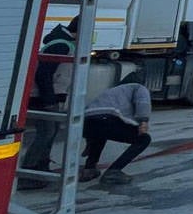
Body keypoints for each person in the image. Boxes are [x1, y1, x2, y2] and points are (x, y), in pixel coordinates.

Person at [18, 16, 79, 190]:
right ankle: (28, 172)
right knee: (46, 133)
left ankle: (40, 169)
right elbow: (43, 74)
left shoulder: (62, 42)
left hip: (47, 96)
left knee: (50, 133)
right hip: (43, 97)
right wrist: (49, 101)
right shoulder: (61, 44)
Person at [80, 72, 152, 186]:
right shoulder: (138, 87)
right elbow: (143, 102)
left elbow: (94, 113)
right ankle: (114, 171)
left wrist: (89, 141)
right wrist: (143, 121)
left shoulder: (112, 91)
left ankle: (89, 169)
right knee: (143, 139)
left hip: (86, 122)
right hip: (106, 120)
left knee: (100, 135)